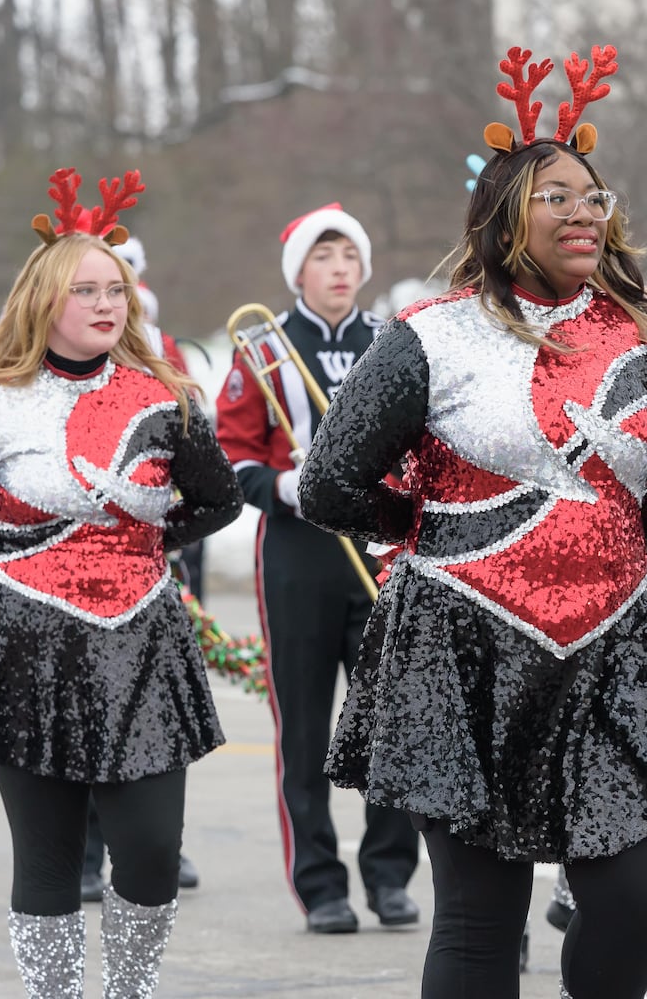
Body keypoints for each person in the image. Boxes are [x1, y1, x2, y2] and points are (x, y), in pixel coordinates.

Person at [299, 44, 647, 999]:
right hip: (459, 642)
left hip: (613, 645)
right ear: (504, 218)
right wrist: (434, 528)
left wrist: (614, 532)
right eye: (556, 198)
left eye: (593, 196)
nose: (584, 212)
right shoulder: (430, 333)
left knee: (636, 902)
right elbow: (330, 485)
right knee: (479, 924)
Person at [0, 168, 242, 997]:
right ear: (44, 301)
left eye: (115, 289)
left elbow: (219, 499)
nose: (105, 304)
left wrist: (141, 544)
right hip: (25, 648)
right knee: (45, 859)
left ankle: (129, 989)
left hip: (142, 643)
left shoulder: (168, 400)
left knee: (151, 851)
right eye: (85, 291)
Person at [214, 203, 422, 935]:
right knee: (302, 728)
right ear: (298, 270)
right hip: (299, 554)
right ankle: (320, 883)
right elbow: (232, 454)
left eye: (348, 257)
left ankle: (391, 875)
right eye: (323, 257)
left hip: (378, 548)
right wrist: (283, 486)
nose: (339, 269)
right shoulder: (264, 349)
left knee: (392, 719)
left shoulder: (394, 343)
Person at [80, 234, 201, 902]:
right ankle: (86, 851)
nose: (110, 297)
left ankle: (158, 846)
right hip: (71, 581)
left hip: (148, 557)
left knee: (146, 715)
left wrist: (165, 534)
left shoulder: (162, 352)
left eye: (120, 282)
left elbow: (200, 465)